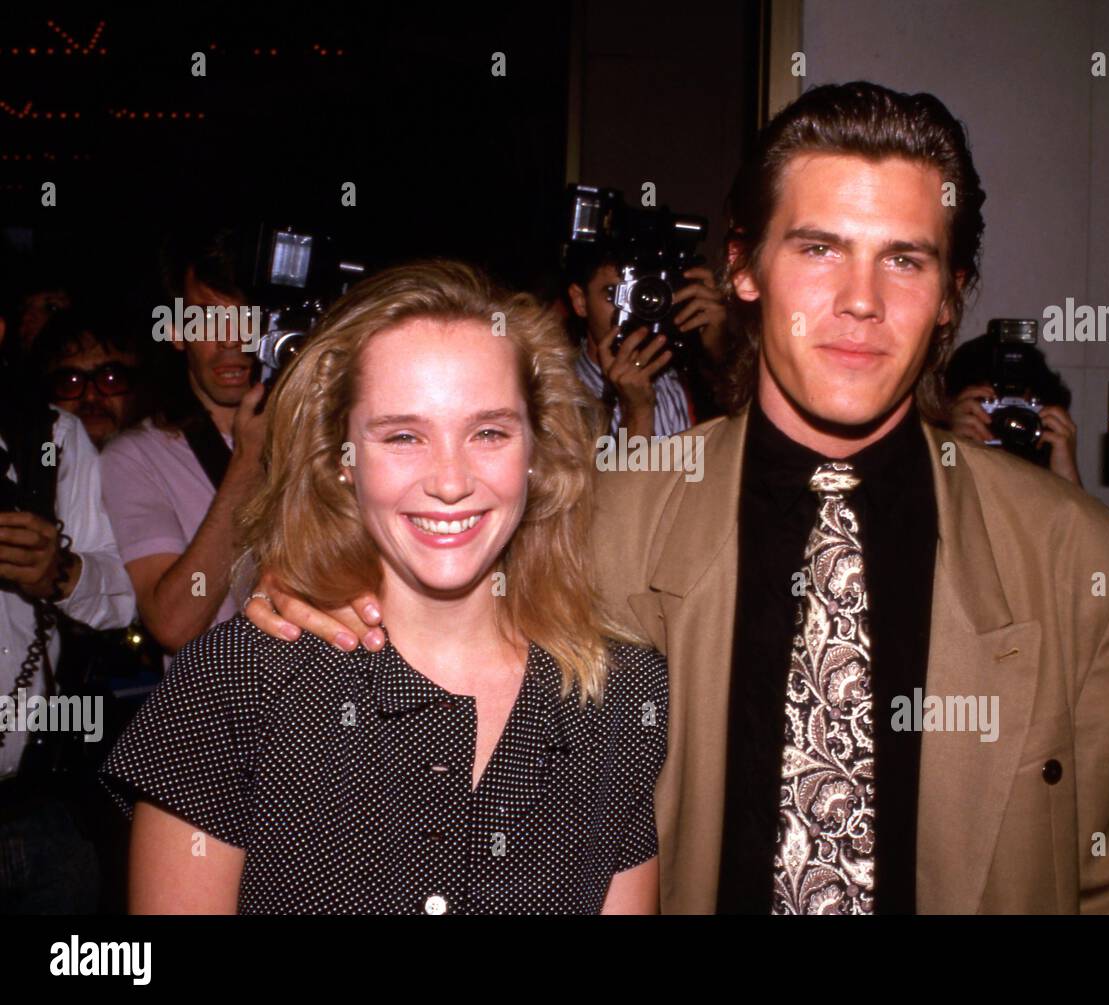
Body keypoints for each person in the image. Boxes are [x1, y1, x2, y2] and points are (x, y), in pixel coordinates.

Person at [246, 82, 1109, 915]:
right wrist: (321, 588)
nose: (860, 301)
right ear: (744, 269)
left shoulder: (1079, 560)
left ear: (953, 297)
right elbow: (428, 601)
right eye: (819, 249)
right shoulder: (592, 518)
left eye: (907, 261)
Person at [99, 259, 668, 915]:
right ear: (342, 458)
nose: (450, 480)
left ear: (536, 451)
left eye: (488, 431)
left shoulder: (622, 692)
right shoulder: (235, 682)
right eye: (403, 435)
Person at [0, 317, 136, 913]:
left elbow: (131, 597)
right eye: (70, 380)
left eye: (108, 377)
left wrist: (60, 572)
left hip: (56, 793)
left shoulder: (60, 443)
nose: (89, 395)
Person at [98, 228, 268, 659]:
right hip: (216, 718)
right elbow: (173, 624)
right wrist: (247, 462)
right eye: (209, 320)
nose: (232, 339)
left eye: (246, 318)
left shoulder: (322, 433)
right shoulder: (136, 456)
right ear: (175, 332)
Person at [565, 244, 726, 440]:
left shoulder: (686, 379)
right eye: (613, 293)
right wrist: (637, 414)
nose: (630, 308)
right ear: (580, 301)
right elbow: (602, 471)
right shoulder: (558, 398)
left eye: (642, 292)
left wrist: (718, 353)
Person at [945, 331, 1082, 485]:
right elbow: (937, 502)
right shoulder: (947, 451)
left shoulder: (1043, 477)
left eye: (1021, 407)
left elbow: (1066, 509)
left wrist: (1068, 479)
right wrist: (948, 445)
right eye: (993, 406)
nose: (1010, 421)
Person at [33, 306, 149, 450]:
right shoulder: (36, 463)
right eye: (70, 384)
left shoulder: (170, 460)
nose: (90, 397)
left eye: (111, 380)